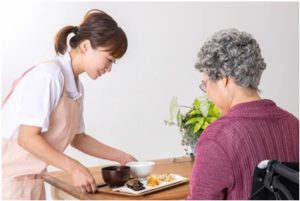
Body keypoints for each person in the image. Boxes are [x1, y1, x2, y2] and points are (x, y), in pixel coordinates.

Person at [2, 9, 136, 200]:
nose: (109, 68)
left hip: (30, 181)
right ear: (86, 46)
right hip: (9, 183)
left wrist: (122, 157)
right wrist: (75, 168)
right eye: (109, 59)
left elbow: (78, 138)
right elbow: (27, 138)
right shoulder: (49, 76)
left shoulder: (75, 86)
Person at [187, 28, 299, 199]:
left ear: (224, 79)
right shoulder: (293, 125)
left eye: (206, 84)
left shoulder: (217, 138)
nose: (207, 92)